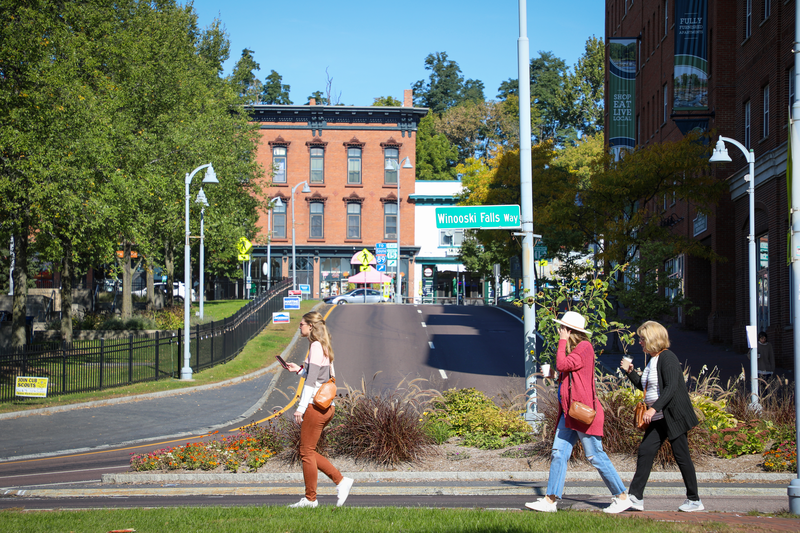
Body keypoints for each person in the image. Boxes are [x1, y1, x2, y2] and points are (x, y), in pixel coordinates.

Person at [526, 311, 632, 514]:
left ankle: (621, 496)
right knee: (559, 453)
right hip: (569, 414)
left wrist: (562, 342)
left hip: (581, 413)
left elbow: (562, 363)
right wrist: (556, 376)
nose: (560, 331)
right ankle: (550, 500)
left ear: (570, 331)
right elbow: (567, 371)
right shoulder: (578, 350)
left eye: (562, 329)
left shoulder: (584, 347)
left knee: (595, 456)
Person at [620, 320, 703, 512]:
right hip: (660, 417)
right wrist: (631, 373)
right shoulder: (653, 360)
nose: (639, 342)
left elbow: (671, 387)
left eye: (642, 339)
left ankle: (694, 500)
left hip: (673, 415)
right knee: (646, 451)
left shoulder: (668, 358)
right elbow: (645, 386)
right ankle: (636, 497)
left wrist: (653, 408)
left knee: (682, 456)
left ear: (652, 339)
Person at [283, 311, 353, 508]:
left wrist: (301, 407)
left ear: (311, 326)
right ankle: (340, 482)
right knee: (309, 451)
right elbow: (319, 375)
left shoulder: (315, 346)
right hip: (327, 406)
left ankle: (311, 499)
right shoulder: (323, 345)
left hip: (316, 406)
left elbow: (312, 382)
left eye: (302, 324)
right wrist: (297, 370)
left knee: (306, 452)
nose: (300, 327)